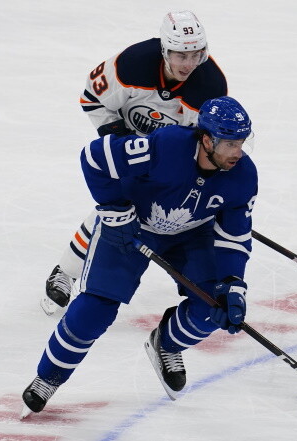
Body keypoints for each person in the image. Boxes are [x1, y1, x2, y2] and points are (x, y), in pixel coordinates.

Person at [21, 96, 257, 416]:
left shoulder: (243, 176)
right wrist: (114, 209)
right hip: (132, 227)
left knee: (211, 307)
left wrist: (233, 284)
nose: (237, 152)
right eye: (230, 143)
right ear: (205, 139)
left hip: (191, 235)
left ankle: (167, 344)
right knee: (94, 310)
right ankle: (48, 377)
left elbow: (233, 236)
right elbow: (94, 158)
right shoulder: (167, 145)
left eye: (241, 142)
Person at [41, 10, 228, 315]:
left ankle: (65, 270)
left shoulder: (209, 87)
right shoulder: (131, 65)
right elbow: (92, 98)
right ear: (165, 50)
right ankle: (66, 271)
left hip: (172, 153)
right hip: (126, 139)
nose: (189, 64)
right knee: (119, 203)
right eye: (181, 54)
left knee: (133, 205)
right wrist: (123, 141)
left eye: (196, 54)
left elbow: (203, 144)